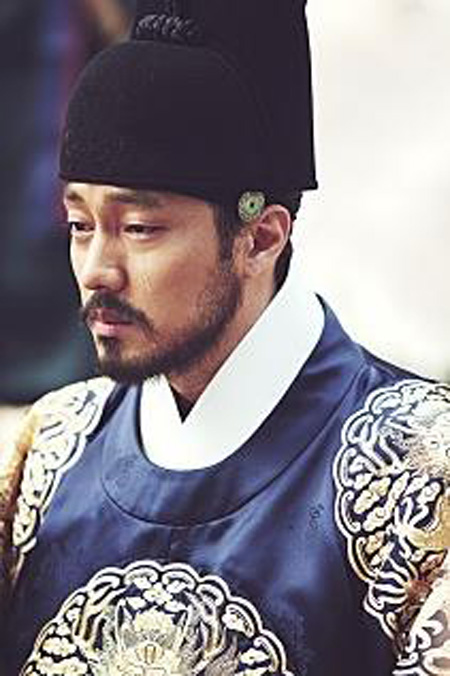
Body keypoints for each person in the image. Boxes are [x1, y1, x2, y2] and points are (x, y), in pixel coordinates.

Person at [1, 1, 450, 674]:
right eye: (80, 226)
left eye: (139, 229)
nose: (96, 270)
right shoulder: (51, 450)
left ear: (260, 238)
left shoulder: (421, 469)